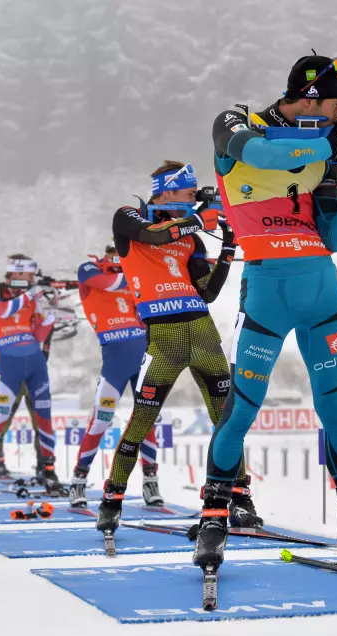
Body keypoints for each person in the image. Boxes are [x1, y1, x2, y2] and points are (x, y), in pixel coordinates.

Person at [193, 54, 337, 571]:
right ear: (308, 98)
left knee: (336, 411)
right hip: (265, 290)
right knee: (242, 409)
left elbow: (333, 236)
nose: (336, 116)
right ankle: (216, 512)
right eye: (333, 105)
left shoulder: (324, 151)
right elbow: (259, 155)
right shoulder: (239, 124)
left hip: (322, 292)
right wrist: (334, 143)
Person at [96, 161, 257, 535]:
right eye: (188, 192)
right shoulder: (129, 217)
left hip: (201, 331)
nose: (194, 196)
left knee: (227, 419)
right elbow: (154, 237)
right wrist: (200, 218)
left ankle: (241, 498)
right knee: (141, 421)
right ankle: (112, 499)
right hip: (163, 338)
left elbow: (208, 292)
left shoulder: (191, 238)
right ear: (165, 190)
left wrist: (229, 249)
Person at [68, 243, 161, 508]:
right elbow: (103, 281)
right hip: (115, 365)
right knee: (101, 420)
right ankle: (78, 480)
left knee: (147, 421)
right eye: (115, 255)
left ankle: (150, 481)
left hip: (142, 358)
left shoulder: (134, 282)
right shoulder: (90, 271)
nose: (118, 259)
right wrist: (136, 273)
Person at [0, 254, 62, 494]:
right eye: (29, 274)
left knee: (44, 420)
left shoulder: (30, 299)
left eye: (33, 275)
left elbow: (39, 336)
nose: (32, 279)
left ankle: (49, 472)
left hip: (35, 364)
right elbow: (1, 312)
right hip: (8, 366)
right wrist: (30, 295)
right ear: (16, 272)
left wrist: (52, 314)